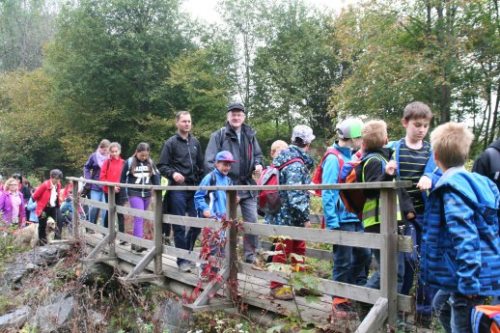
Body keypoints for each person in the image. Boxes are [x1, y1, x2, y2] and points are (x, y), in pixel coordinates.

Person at [422, 122, 500, 333]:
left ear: (435, 156)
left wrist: (469, 283)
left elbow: (466, 237)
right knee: (440, 305)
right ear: (466, 154)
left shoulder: (453, 190)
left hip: (469, 277)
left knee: (463, 324)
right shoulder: (479, 183)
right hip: (480, 270)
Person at [386, 101, 438, 324]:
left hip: (426, 213)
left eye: (426, 126)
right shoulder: (394, 148)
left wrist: (430, 177)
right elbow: (373, 161)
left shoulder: (430, 150)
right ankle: (402, 305)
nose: (422, 130)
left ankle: (423, 312)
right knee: (408, 259)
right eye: (417, 125)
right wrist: (386, 169)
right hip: (403, 213)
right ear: (405, 123)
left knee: (427, 261)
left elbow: (437, 172)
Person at [322, 118, 371, 317]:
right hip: (342, 219)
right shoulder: (334, 158)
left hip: (355, 217)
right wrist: (332, 221)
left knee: (364, 255)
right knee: (343, 259)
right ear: (353, 137)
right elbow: (328, 191)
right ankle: (339, 301)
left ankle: (356, 294)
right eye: (360, 137)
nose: (362, 141)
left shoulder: (351, 156)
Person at [204, 102, 264, 264]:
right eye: (233, 114)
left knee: (251, 221)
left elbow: (259, 155)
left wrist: (258, 164)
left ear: (243, 117)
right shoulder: (219, 136)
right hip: (226, 188)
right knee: (224, 222)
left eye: (239, 114)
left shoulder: (250, 135)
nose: (236, 117)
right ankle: (221, 256)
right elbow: (210, 163)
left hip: (247, 185)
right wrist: (226, 187)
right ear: (228, 116)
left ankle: (250, 255)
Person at [358, 120, 411, 292]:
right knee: (390, 271)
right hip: (378, 222)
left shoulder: (383, 159)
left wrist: (408, 211)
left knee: (397, 271)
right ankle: (364, 300)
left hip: (388, 221)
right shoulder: (373, 161)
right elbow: (370, 190)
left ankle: (386, 314)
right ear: (386, 138)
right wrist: (387, 175)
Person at [268, 125, 315, 300]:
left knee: (298, 248)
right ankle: (276, 287)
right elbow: (295, 195)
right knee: (283, 250)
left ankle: (300, 284)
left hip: (283, 213)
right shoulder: (295, 163)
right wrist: (305, 217)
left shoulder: (286, 157)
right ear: (307, 142)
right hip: (288, 215)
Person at [157, 111, 204, 272]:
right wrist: (173, 174)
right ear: (177, 123)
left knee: (197, 224)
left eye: (189, 121)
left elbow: (201, 166)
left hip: (193, 188)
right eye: (184, 121)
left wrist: (203, 183)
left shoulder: (196, 143)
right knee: (178, 225)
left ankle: (189, 254)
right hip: (177, 189)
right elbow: (162, 166)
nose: (187, 124)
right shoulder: (170, 143)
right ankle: (182, 260)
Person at [194, 151, 235, 281]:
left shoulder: (229, 180)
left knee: (221, 247)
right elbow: (198, 196)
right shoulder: (210, 178)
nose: (227, 167)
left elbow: (231, 198)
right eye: (224, 164)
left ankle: (215, 273)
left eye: (229, 165)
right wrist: (205, 209)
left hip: (223, 220)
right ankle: (204, 268)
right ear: (217, 163)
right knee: (212, 247)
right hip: (212, 219)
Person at [120, 142, 160, 253]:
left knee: (143, 219)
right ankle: (139, 244)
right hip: (134, 193)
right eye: (141, 155)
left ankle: (135, 245)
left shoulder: (150, 162)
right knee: (139, 216)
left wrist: (157, 189)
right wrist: (124, 195)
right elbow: (123, 179)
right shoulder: (129, 162)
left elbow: (156, 176)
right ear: (137, 152)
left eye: (146, 155)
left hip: (147, 194)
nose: (143, 157)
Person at [100, 142, 126, 232]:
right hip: (108, 190)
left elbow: (125, 177)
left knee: (120, 212)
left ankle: (122, 236)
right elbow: (102, 177)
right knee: (109, 211)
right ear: (110, 152)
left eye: (116, 151)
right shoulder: (106, 163)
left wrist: (119, 186)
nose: (114, 153)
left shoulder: (123, 163)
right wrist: (112, 187)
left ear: (119, 151)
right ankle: (106, 232)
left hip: (120, 190)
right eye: (112, 151)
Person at [32, 169, 63, 245]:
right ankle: (42, 243)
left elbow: (56, 194)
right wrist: (40, 204)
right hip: (44, 209)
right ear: (51, 177)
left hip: (54, 207)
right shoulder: (45, 185)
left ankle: (57, 241)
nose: (57, 180)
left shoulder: (58, 185)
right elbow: (35, 196)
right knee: (42, 225)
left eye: (59, 179)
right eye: (56, 178)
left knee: (59, 221)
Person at [83, 139, 110, 224]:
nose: (106, 152)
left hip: (106, 186)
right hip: (95, 185)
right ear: (100, 148)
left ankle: (104, 230)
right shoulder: (94, 156)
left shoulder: (110, 157)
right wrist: (88, 179)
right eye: (104, 150)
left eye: (107, 150)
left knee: (105, 209)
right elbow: (86, 167)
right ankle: (90, 225)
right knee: (93, 207)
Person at [263, 140, 288, 225]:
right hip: (282, 212)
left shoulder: (266, 171)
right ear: (272, 153)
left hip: (269, 210)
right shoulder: (285, 170)